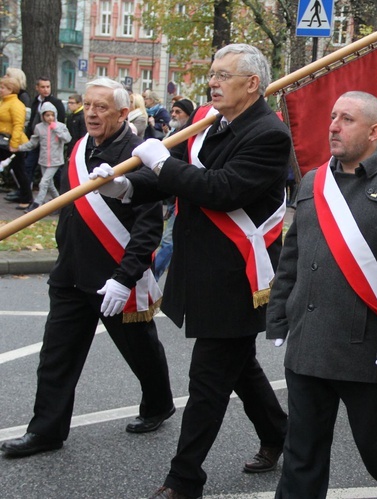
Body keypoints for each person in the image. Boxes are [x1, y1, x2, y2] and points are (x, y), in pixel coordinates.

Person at [92, 44, 289, 499]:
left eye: (222, 75)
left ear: (252, 84)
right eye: (212, 74)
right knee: (238, 369)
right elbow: (174, 177)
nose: (212, 82)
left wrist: (160, 159)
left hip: (235, 277)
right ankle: (280, 433)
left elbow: (221, 189)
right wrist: (126, 186)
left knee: (207, 381)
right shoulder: (211, 124)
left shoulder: (268, 134)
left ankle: (184, 480)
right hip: (201, 268)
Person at [266, 91, 377, 498]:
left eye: (347, 119)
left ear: (375, 131)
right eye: (333, 116)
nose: (334, 126)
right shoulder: (313, 181)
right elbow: (293, 255)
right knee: (300, 457)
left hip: (367, 351)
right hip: (308, 345)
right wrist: (278, 315)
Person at [0, 77, 175, 458]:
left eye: (101, 108)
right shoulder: (80, 148)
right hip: (71, 275)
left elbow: (148, 228)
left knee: (140, 349)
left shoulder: (139, 153)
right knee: (56, 357)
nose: (91, 114)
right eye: (88, 107)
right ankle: (46, 431)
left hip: (115, 277)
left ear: (123, 113)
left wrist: (123, 279)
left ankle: (159, 403)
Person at [152, 98, 195, 281]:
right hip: (171, 197)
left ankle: (152, 278)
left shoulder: (189, 135)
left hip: (181, 196)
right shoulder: (173, 134)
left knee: (169, 241)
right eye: (173, 111)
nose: (174, 115)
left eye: (179, 112)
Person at [13, 102, 71, 212]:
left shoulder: (61, 126)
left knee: (43, 182)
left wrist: (56, 129)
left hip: (56, 160)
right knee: (49, 185)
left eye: (52, 115)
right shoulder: (39, 128)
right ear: (42, 116)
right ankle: (60, 204)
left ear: (55, 115)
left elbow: (67, 139)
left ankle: (36, 205)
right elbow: (32, 143)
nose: (50, 117)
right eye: (47, 115)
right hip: (44, 160)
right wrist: (19, 148)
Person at [23, 77, 66, 194]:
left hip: (51, 143)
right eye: (43, 87)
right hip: (37, 139)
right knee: (28, 165)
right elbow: (32, 119)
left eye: (48, 87)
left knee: (56, 171)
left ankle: (64, 193)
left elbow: (60, 123)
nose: (46, 89)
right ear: (37, 88)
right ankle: (25, 193)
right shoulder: (35, 102)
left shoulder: (56, 103)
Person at [0, 76, 31, 208]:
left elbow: (19, 125)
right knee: (19, 170)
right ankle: (26, 197)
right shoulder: (4, 102)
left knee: (19, 170)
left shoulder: (16, 104)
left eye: (2, 88)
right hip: (4, 141)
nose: (0, 90)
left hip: (12, 143)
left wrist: (14, 145)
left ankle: (26, 198)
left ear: (10, 89)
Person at [65, 93, 86, 160]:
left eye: (72, 103)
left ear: (79, 104)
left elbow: (82, 135)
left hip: (77, 148)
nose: (69, 105)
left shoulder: (82, 117)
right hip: (71, 146)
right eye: (68, 103)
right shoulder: (71, 116)